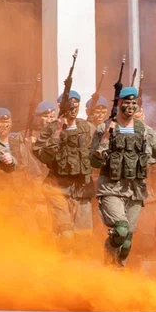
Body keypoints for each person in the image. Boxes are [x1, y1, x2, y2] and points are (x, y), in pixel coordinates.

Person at [88, 86, 156, 266]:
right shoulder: (103, 128)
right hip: (111, 189)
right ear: (118, 104)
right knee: (120, 230)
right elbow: (93, 162)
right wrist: (105, 140)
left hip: (135, 191)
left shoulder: (146, 131)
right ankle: (108, 257)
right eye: (126, 103)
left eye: (133, 103)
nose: (130, 106)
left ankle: (117, 273)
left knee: (127, 242)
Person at [34, 91, 98, 239]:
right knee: (66, 235)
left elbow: (97, 154)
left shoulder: (88, 128)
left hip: (82, 189)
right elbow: (41, 155)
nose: (73, 108)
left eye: (76, 104)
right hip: (58, 189)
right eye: (70, 104)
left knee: (83, 237)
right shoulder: (50, 129)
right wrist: (57, 133)